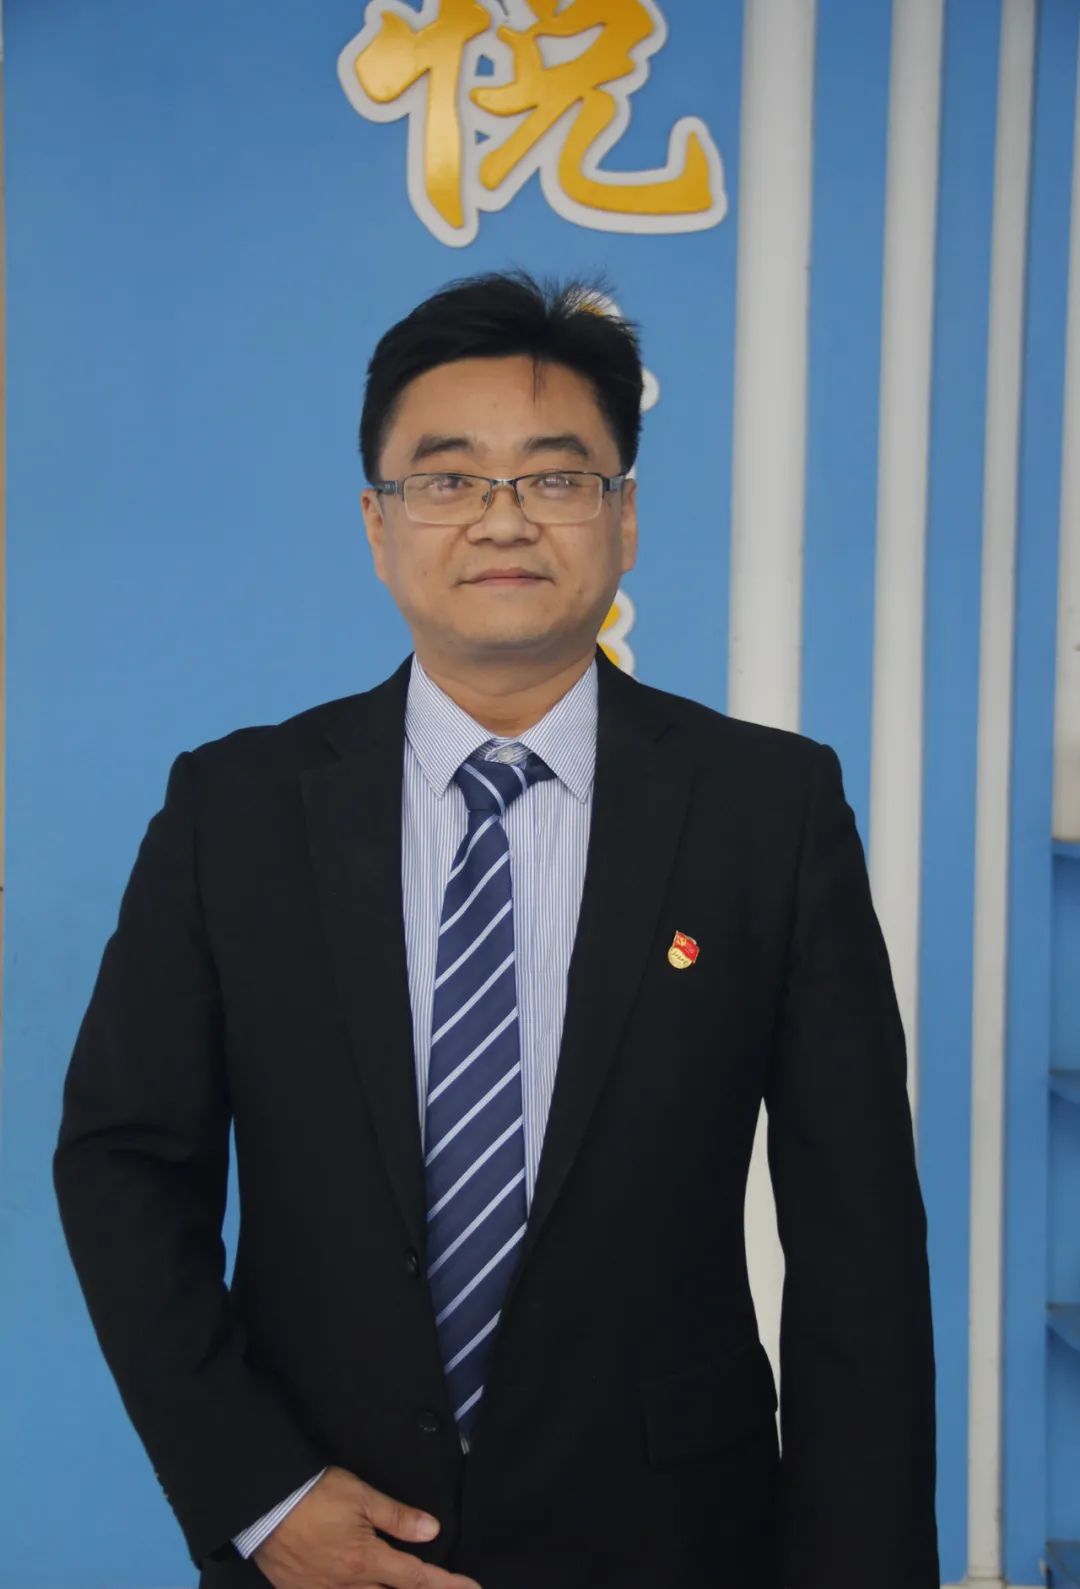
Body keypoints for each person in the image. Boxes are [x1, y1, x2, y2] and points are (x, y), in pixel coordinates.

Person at [54, 270, 939, 1589]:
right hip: (319, 1538)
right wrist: (259, 1494)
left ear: (625, 517)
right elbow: (125, 1165)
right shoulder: (234, 811)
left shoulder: (769, 809)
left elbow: (857, 1239)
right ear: (378, 524)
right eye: (450, 478)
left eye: (557, 476)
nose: (504, 516)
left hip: (674, 1541)